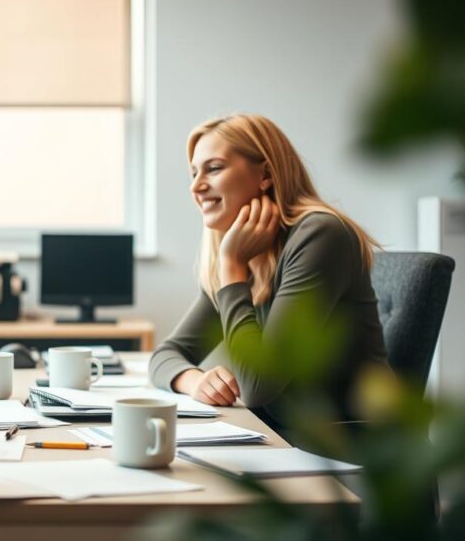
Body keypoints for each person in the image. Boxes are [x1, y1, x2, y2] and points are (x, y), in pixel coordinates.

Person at [149, 113, 389, 432]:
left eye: (214, 168)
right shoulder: (245, 249)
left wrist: (231, 267)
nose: (196, 186)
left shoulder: (321, 234)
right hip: (282, 434)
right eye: (193, 173)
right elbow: (166, 355)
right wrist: (195, 381)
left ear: (265, 174)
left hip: (346, 442)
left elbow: (259, 386)